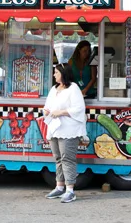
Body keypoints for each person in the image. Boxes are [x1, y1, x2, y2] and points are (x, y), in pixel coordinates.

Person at [43, 64, 87, 203]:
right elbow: (48, 105)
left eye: (56, 72)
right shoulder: (54, 89)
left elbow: (79, 108)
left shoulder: (73, 88)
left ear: (63, 73)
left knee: (67, 158)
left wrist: (61, 112)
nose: (54, 75)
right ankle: (59, 186)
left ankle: (70, 190)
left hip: (69, 128)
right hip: (55, 127)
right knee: (58, 158)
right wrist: (46, 111)